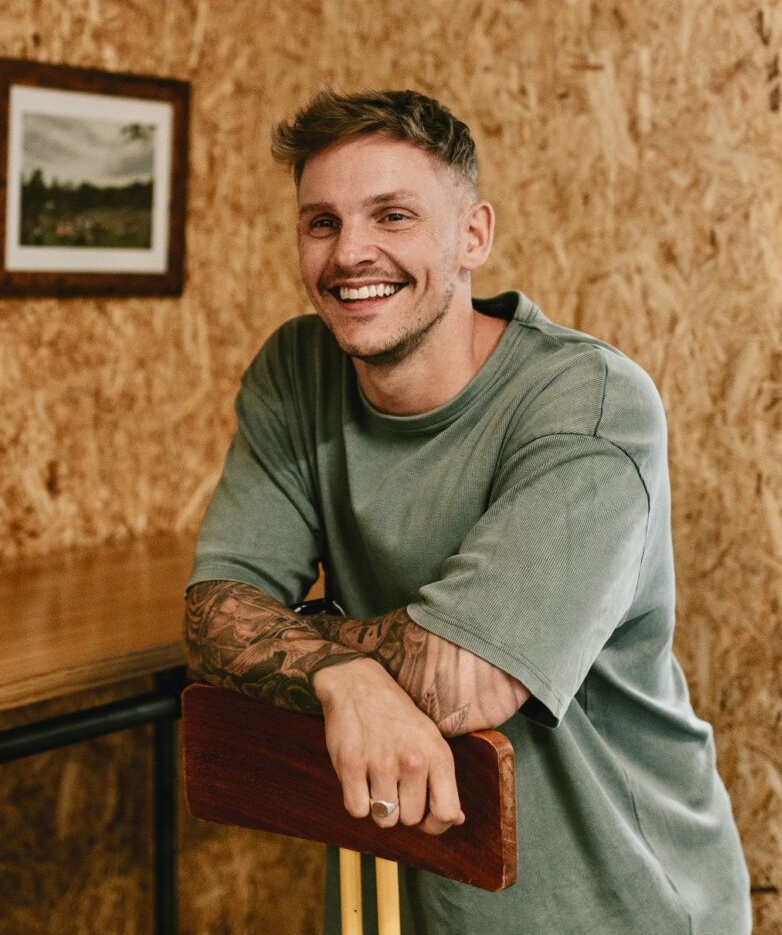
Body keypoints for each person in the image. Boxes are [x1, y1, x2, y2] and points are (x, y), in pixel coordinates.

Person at [183, 88, 751, 934]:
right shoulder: (296, 371)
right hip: (426, 889)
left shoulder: (588, 401)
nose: (351, 252)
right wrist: (344, 676)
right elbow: (211, 616)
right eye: (322, 223)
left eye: (393, 216)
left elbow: (463, 684)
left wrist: (306, 641)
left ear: (473, 236)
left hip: (618, 903)